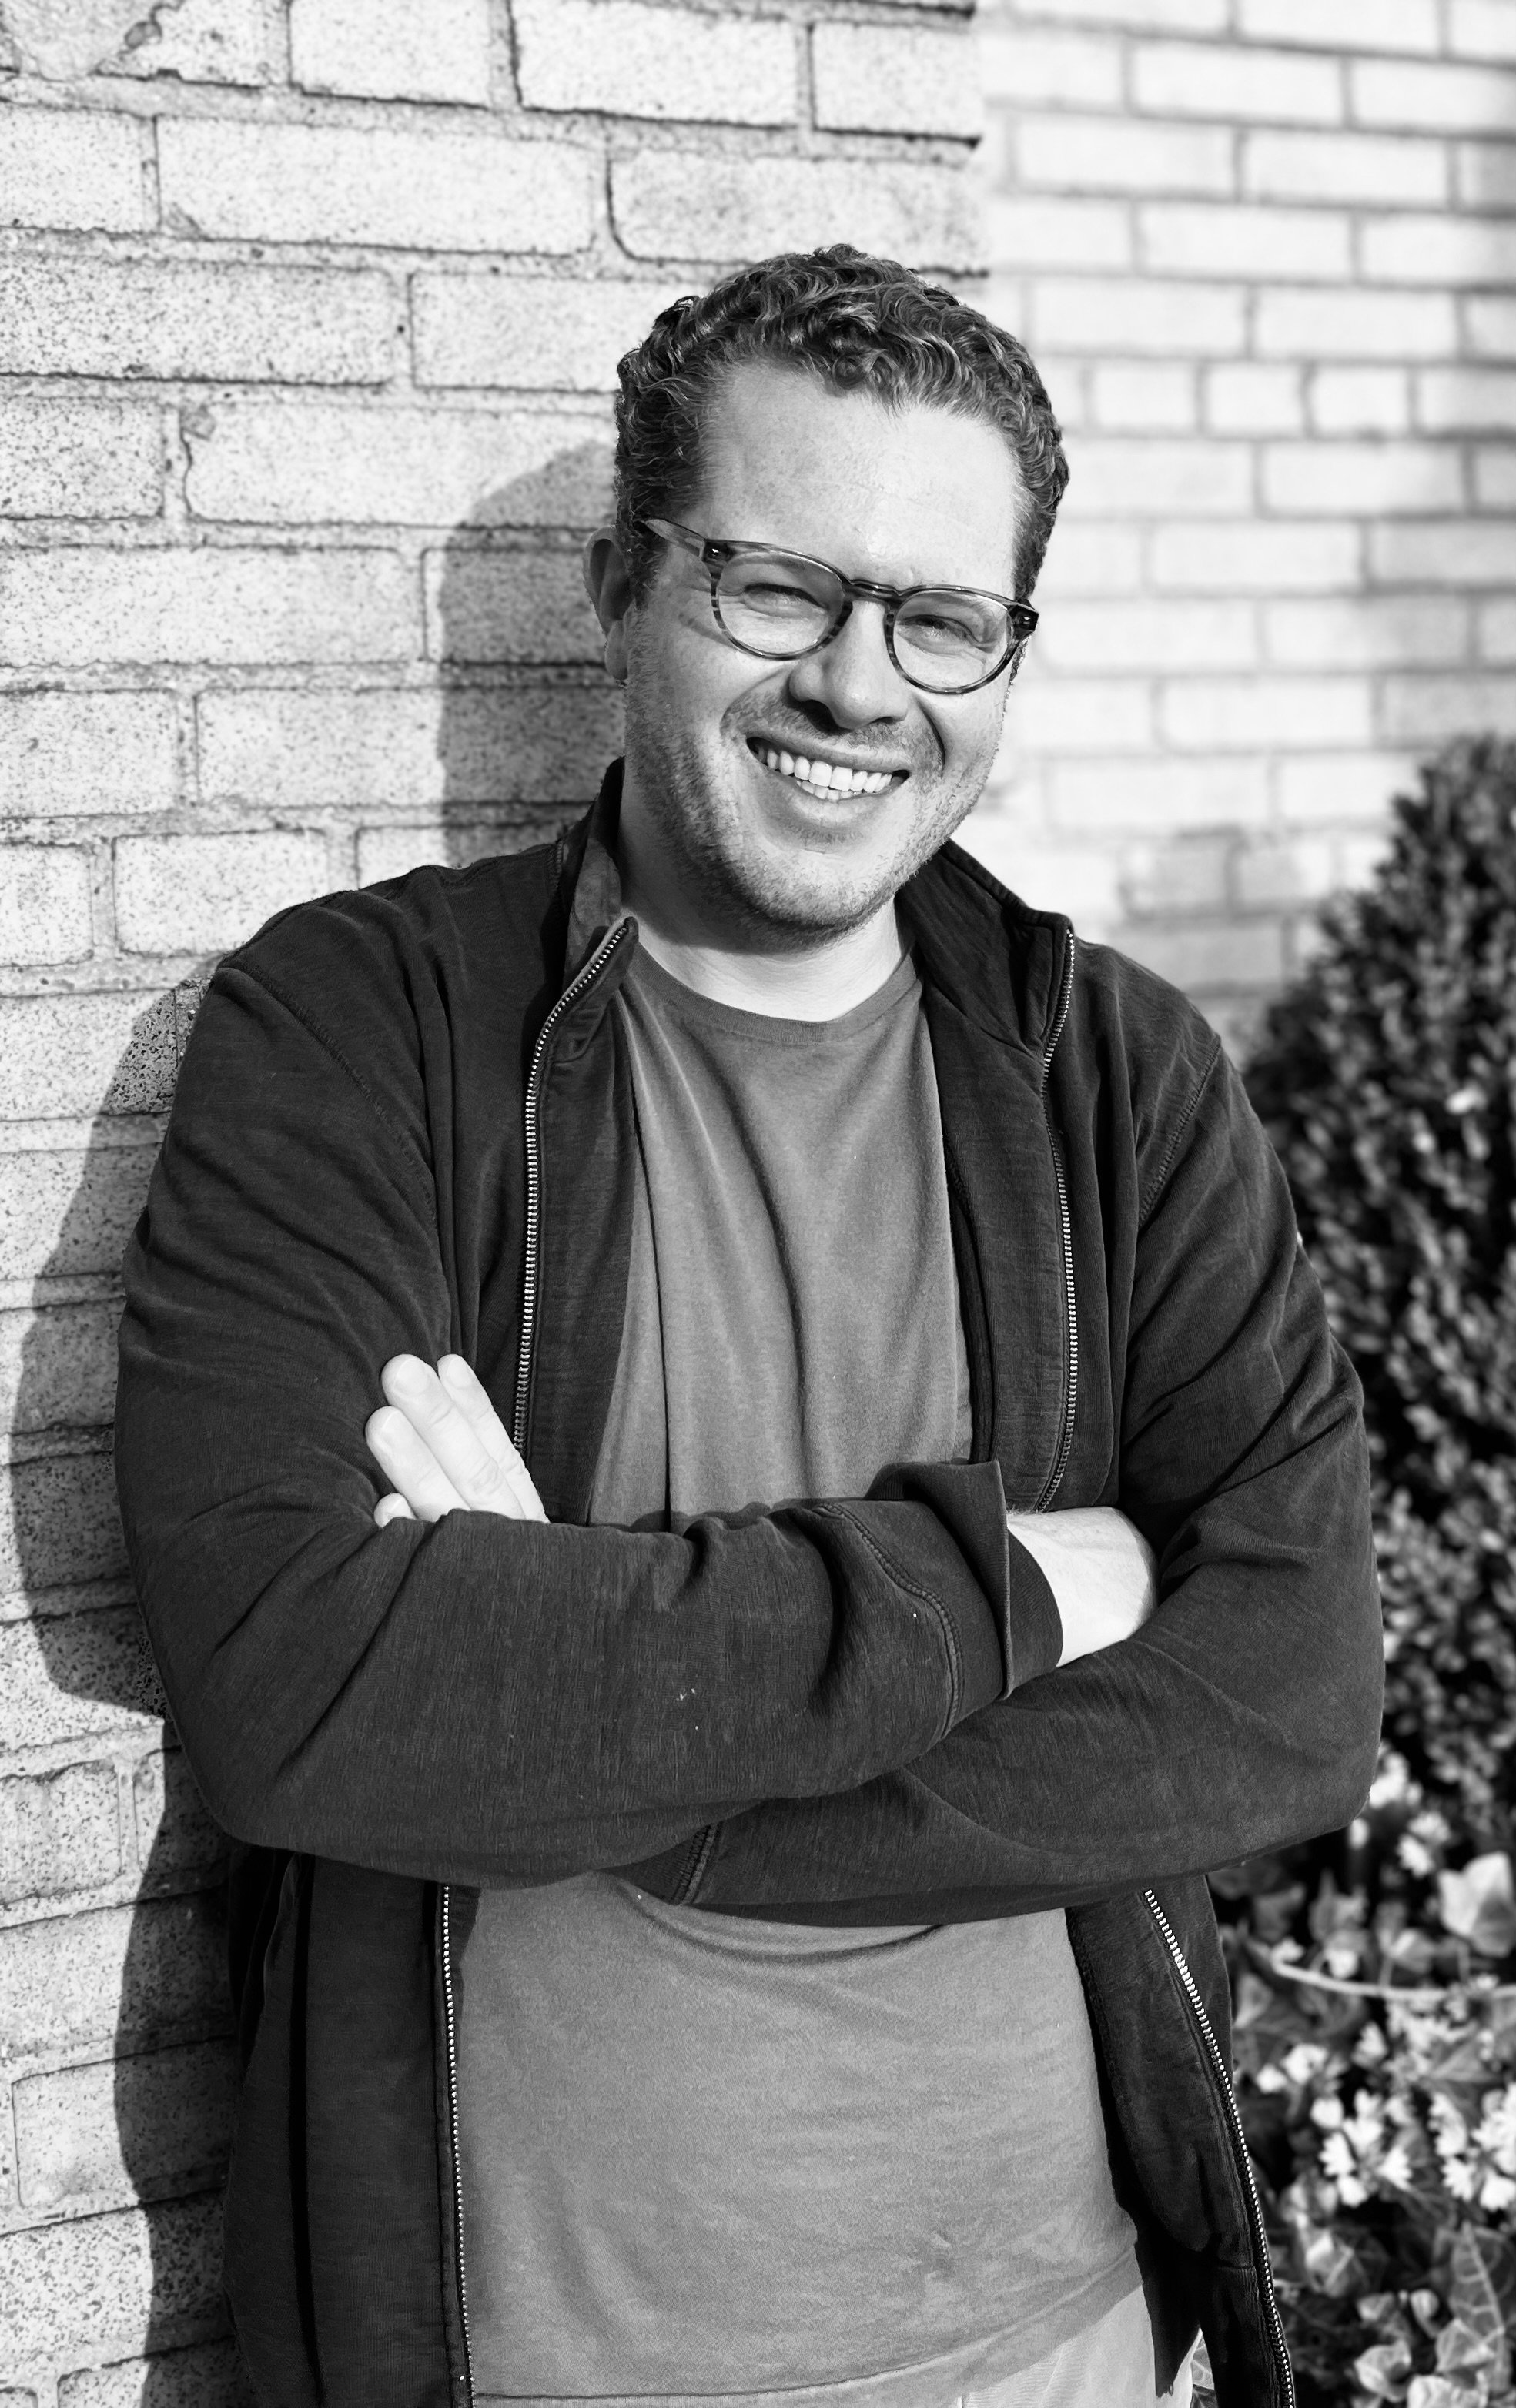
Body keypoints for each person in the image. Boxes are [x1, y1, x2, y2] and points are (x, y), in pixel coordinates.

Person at [115, 246, 1382, 2408]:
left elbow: (1286, 1697)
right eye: (778, 587)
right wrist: (1011, 1588)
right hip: (529, 2366)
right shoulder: (359, 1033)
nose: (859, 686)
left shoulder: (1117, 1078)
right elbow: (303, 1689)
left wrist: (585, 1710)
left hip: (1074, 2348)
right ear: (626, 583)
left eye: (942, 620)